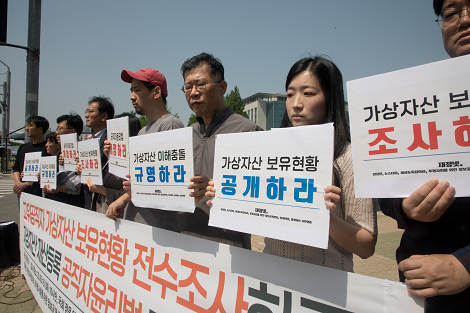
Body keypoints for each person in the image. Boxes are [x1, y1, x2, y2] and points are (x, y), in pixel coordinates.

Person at [206, 56, 378, 269]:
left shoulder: (349, 157)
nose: (296, 104)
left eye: (308, 93)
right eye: (289, 94)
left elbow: (366, 246)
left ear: (330, 97)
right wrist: (226, 195)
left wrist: (323, 217)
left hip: (326, 286)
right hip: (270, 278)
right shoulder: (267, 153)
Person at [379, 1, 470, 311]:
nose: (463, 21)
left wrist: (466, 265)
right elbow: (383, 187)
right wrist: (405, 207)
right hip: (420, 292)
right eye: (451, 13)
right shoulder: (416, 101)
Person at [178, 52, 263, 248]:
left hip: (226, 247)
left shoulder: (247, 131)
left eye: (200, 84)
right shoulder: (185, 135)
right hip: (183, 240)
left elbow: (259, 194)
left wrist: (217, 189)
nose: (193, 92)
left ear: (222, 87)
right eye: (188, 87)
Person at [105, 68, 184, 228]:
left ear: (156, 92)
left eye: (137, 90)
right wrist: (113, 158)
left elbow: (168, 180)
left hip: (158, 225)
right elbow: (137, 176)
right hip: (139, 221)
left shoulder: (170, 125)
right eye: (131, 90)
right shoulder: (143, 131)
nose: (131, 96)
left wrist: (124, 198)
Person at [87, 113, 142, 215]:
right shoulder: (112, 156)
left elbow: (134, 193)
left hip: (118, 216)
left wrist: (103, 191)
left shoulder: (136, 160)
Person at [83, 96, 115, 210]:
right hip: (89, 198)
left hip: (106, 201)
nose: (86, 115)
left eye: (90, 112)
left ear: (104, 116)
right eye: (86, 112)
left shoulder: (112, 138)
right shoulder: (88, 140)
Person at [45, 114, 83, 207]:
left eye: (60, 129)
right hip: (58, 194)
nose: (57, 132)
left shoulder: (83, 149)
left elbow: (83, 177)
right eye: (57, 129)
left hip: (71, 198)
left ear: (72, 131)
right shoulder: (62, 150)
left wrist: (60, 188)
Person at [13, 116, 49, 198]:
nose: (26, 128)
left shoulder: (48, 148)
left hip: (41, 194)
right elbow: (16, 168)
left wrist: (26, 184)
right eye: (27, 125)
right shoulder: (23, 147)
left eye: (30, 126)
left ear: (40, 129)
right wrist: (18, 183)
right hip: (23, 194)